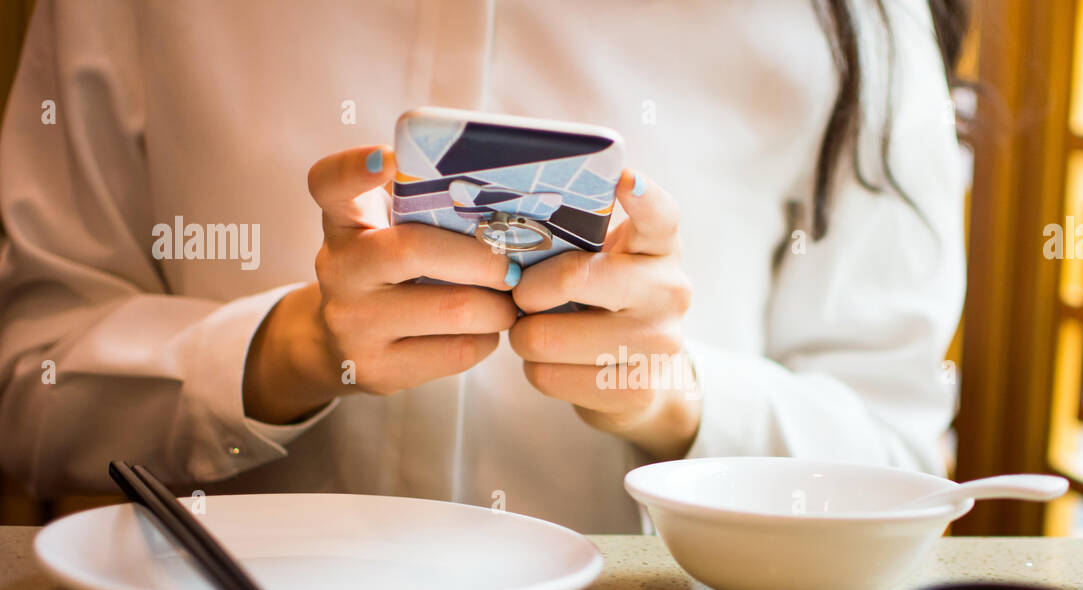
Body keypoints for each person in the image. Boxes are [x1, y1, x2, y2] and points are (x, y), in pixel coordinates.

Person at [0, 0, 967, 533]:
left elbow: (898, 464)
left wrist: (679, 401)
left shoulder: (857, 23)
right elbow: (24, 375)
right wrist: (287, 352)